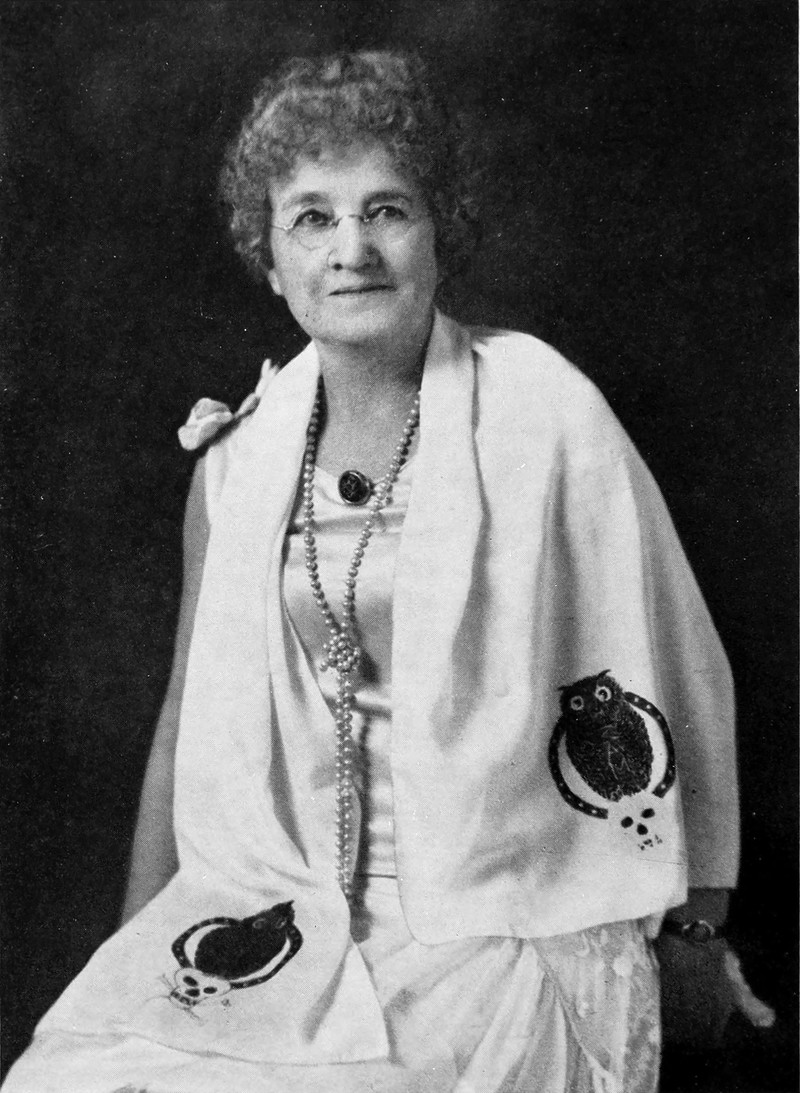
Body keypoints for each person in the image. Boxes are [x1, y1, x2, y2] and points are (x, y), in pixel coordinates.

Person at [5, 50, 758, 1093]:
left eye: (386, 211)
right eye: (312, 218)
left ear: (439, 232)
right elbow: (187, 715)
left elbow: (680, 673)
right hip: (281, 895)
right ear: (271, 258)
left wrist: (695, 932)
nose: (351, 249)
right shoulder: (236, 460)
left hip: (500, 906)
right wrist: (136, 959)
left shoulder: (545, 410)